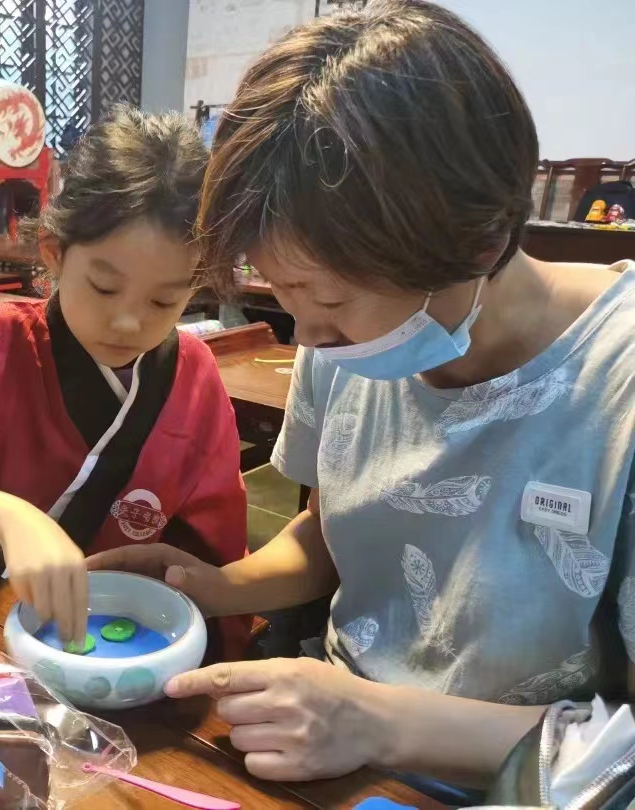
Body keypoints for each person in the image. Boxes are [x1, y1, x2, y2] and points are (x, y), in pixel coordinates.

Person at [89, 0, 635, 796]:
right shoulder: (339, 345)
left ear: (480, 241)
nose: (310, 339)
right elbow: (340, 527)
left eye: (331, 301)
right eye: (285, 296)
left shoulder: (616, 386)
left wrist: (379, 721)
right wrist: (216, 586)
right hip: (324, 750)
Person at [0, 107, 249, 654]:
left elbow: (216, 547)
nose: (129, 322)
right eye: (104, 287)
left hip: (120, 637)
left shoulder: (193, 374)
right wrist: (8, 517)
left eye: (164, 301)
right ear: (55, 253)